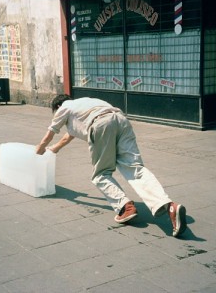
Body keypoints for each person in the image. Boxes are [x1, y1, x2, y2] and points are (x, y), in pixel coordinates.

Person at [36, 95, 186, 237]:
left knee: (101, 174)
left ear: (58, 106)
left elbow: (51, 133)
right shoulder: (86, 104)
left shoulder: (65, 106)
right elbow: (68, 136)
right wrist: (54, 149)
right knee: (136, 169)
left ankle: (126, 206)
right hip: (121, 121)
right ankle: (169, 206)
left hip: (101, 124)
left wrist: (38, 150)